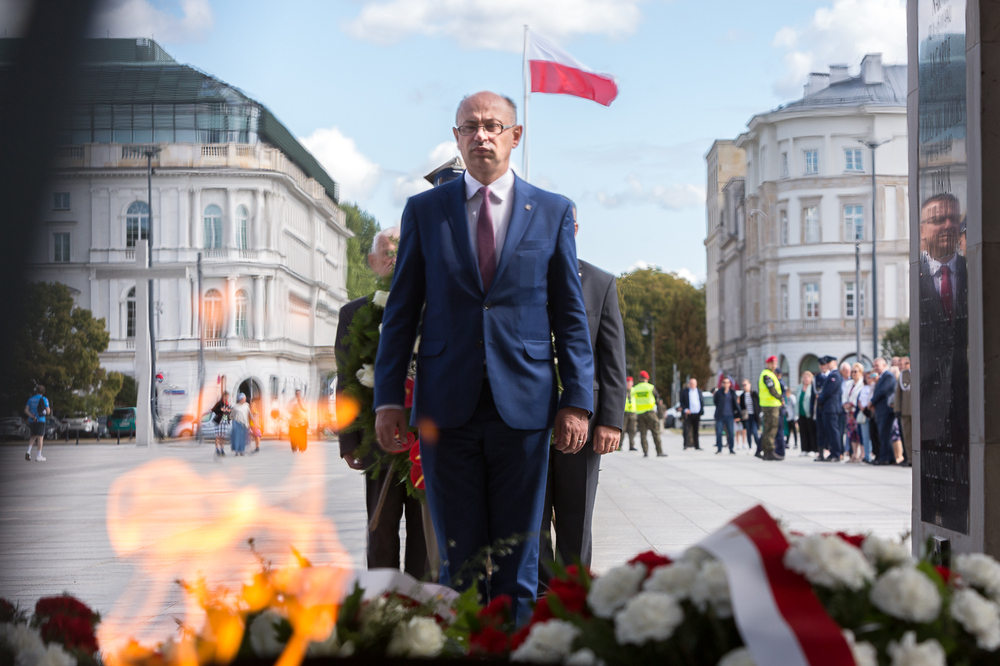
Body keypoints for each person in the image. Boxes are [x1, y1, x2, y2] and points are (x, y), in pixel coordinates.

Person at [373, 91, 594, 623]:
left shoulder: (553, 211)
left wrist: (579, 401)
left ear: (515, 136)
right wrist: (386, 400)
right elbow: (401, 313)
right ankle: (466, 648)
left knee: (520, 562)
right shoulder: (425, 211)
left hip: (526, 408)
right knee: (458, 564)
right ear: (456, 137)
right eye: (470, 126)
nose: (482, 135)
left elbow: (570, 316)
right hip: (445, 409)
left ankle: (514, 649)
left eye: (494, 125)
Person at [539, 201, 626, 590]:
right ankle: (538, 595)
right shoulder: (522, 277)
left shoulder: (600, 282)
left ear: (574, 228)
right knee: (533, 517)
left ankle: (572, 594)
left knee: (576, 515)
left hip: (585, 420)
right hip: (527, 416)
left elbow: (612, 357)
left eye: (565, 225)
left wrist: (610, 419)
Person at [334, 227, 428, 579]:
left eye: (402, 253)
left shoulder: (433, 308)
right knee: (381, 530)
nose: (395, 260)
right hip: (377, 442)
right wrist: (347, 438)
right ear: (373, 262)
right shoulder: (353, 314)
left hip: (425, 440)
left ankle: (423, 607)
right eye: (387, 253)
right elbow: (346, 380)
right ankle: (382, 604)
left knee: (425, 535)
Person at [814, 356, 844, 462]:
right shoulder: (831, 375)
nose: (826, 364)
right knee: (830, 432)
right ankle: (832, 453)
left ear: (834, 362)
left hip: (832, 408)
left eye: (828, 362)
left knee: (833, 431)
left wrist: (821, 398)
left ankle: (836, 453)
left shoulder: (835, 375)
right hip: (827, 408)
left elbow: (828, 391)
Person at [871, 358, 898, 465]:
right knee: (884, 434)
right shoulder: (881, 377)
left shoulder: (888, 376)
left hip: (886, 410)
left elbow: (883, 391)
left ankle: (884, 458)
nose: (875, 368)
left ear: (884, 365)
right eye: (874, 366)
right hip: (881, 410)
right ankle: (890, 457)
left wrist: (872, 402)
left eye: (877, 365)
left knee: (884, 434)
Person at [758, 356, 784, 460]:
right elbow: (772, 390)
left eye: (775, 364)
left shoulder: (769, 374)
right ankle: (769, 451)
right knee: (771, 429)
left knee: (769, 428)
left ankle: (766, 452)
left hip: (770, 404)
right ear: (767, 364)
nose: (774, 366)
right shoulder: (767, 375)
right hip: (770, 405)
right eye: (772, 363)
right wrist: (780, 398)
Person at [632, 371, 664, 457]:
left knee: (643, 434)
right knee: (655, 432)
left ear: (639, 378)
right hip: (650, 413)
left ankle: (645, 452)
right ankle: (659, 451)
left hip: (640, 414)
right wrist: (660, 414)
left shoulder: (635, 388)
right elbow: (657, 400)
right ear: (647, 378)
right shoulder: (650, 387)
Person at [844, 363, 865, 463]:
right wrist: (845, 404)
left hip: (858, 411)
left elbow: (862, 396)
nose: (853, 373)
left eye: (855, 371)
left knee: (860, 433)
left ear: (860, 372)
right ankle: (854, 454)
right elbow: (844, 396)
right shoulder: (849, 383)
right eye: (852, 371)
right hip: (849, 412)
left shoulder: (862, 383)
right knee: (851, 433)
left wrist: (853, 404)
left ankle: (862, 454)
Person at [713, 377, 739, 454]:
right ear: (722, 384)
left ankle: (731, 448)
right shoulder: (718, 393)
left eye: (727, 382)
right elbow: (715, 402)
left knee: (731, 433)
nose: (725, 384)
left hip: (730, 415)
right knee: (719, 433)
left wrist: (737, 414)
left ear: (730, 384)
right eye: (724, 382)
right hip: (720, 416)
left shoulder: (732, 392)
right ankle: (719, 449)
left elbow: (735, 404)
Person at [894, 356, 912, 467]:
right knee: (907, 436)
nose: (904, 366)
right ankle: (910, 459)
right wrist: (897, 409)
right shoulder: (903, 375)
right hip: (906, 411)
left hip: (918, 412)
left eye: (906, 363)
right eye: (901, 364)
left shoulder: (919, 370)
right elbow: (898, 394)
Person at [24, 385, 49, 462]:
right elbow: (48, 411)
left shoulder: (30, 399)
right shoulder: (44, 399)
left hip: (32, 420)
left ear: (36, 391)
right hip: (41, 420)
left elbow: (26, 410)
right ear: (43, 392)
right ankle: (38, 455)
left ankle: (28, 451)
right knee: (40, 437)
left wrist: (32, 416)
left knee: (33, 436)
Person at [680, 377, 704, 450]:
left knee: (696, 430)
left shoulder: (699, 391)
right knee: (686, 430)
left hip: (697, 413)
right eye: (691, 383)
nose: (692, 385)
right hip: (688, 413)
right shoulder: (685, 391)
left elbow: (701, 401)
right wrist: (686, 409)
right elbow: (682, 402)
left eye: (693, 383)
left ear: (696, 384)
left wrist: (701, 410)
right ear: (689, 384)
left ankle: (697, 445)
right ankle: (686, 445)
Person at [858, 370, 875, 462]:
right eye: (867, 378)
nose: (869, 379)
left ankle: (872, 454)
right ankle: (866, 455)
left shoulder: (874, 387)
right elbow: (860, 400)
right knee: (865, 436)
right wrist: (863, 410)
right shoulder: (864, 388)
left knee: (872, 436)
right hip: (864, 413)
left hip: (871, 412)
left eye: (870, 377)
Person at [797, 371, 817, 456]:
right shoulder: (799, 387)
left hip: (809, 413)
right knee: (803, 431)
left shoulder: (812, 387)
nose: (806, 379)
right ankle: (804, 449)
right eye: (804, 377)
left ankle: (813, 449)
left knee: (811, 431)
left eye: (807, 377)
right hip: (801, 413)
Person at [739, 379, 760, 455]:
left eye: (746, 384)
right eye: (743, 385)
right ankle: (750, 447)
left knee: (755, 432)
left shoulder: (754, 393)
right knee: (748, 432)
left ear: (749, 384)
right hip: (746, 416)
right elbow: (741, 407)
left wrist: (759, 413)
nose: (744, 386)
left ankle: (759, 447)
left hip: (754, 415)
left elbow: (758, 404)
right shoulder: (742, 395)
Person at [838, 362, 853, 457]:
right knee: (840, 431)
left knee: (850, 431)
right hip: (840, 409)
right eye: (845, 370)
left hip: (850, 409)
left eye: (849, 370)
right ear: (841, 371)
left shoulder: (852, 381)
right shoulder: (839, 381)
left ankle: (850, 451)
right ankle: (841, 451)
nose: (847, 372)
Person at [211, 391, 231, 457]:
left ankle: (222, 449)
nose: (227, 397)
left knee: (223, 436)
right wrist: (220, 410)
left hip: (225, 421)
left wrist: (229, 412)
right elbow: (213, 409)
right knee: (218, 436)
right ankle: (217, 449)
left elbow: (229, 412)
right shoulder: (219, 403)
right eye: (226, 396)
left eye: (228, 396)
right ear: (223, 396)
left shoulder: (228, 404)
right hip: (219, 421)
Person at [622, 376, 638, 451]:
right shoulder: (623, 390)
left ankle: (632, 445)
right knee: (622, 429)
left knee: (633, 430)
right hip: (624, 412)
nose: (629, 384)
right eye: (628, 382)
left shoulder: (634, 390)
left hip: (633, 412)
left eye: (630, 382)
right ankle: (619, 445)